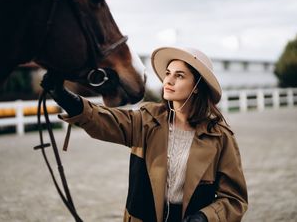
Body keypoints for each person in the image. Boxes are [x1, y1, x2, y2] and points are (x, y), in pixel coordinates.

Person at [41, 46, 248, 222]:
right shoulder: (146, 120)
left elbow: (235, 198)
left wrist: (205, 217)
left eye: (179, 75)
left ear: (196, 87)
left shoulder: (219, 136)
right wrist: (64, 97)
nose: (169, 80)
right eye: (168, 73)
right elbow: (102, 119)